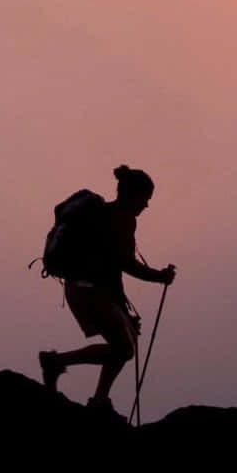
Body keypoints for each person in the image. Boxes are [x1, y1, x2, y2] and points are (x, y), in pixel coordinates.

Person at [38, 165, 177, 416]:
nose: (145, 205)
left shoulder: (106, 214)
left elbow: (112, 266)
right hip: (89, 291)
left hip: (84, 289)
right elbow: (126, 264)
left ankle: (99, 399)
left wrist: (123, 310)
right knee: (123, 348)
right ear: (131, 195)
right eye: (144, 199)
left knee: (125, 341)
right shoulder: (122, 219)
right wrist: (160, 276)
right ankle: (56, 363)